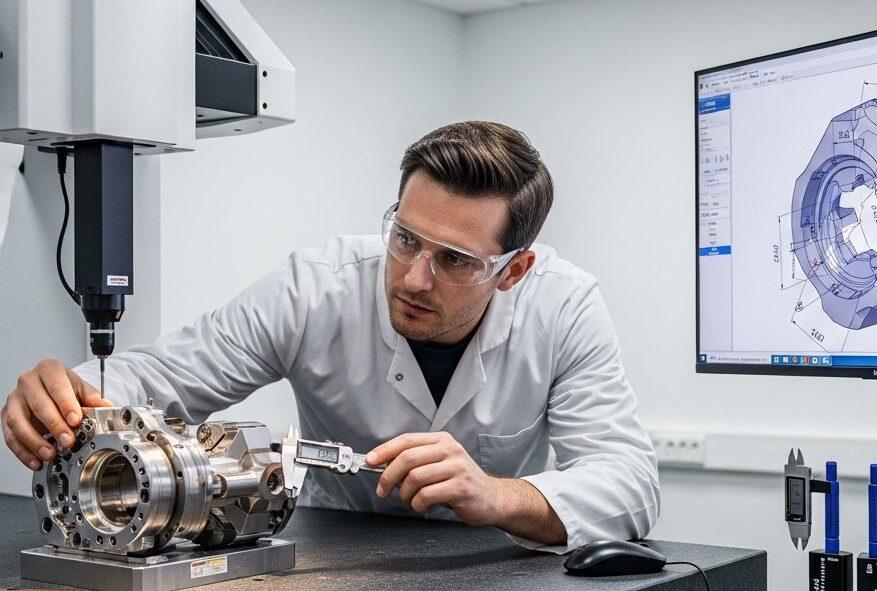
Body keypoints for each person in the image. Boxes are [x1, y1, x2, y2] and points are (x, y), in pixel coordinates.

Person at [1, 121, 659, 552]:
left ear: (514, 270)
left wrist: (495, 495)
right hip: (336, 552)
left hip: (494, 565)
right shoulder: (316, 287)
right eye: (404, 238)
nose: (415, 278)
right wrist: (67, 393)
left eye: (455, 260)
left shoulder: (565, 307)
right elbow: (158, 380)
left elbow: (630, 482)